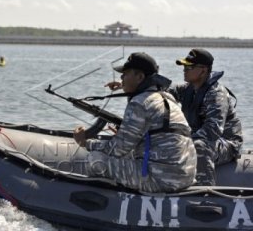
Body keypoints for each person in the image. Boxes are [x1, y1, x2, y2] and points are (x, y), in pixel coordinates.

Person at [74, 52, 197, 193]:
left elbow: (117, 149)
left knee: (95, 159)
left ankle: (99, 203)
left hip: (160, 179)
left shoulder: (140, 102)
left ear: (140, 77)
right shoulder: (168, 99)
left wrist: (86, 142)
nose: (121, 77)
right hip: (185, 179)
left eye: (125, 73)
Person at [169, 48, 243, 185]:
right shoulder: (187, 89)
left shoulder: (217, 94)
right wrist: (131, 87)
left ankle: (206, 192)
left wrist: (183, 140)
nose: (184, 69)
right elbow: (160, 90)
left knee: (199, 146)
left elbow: (212, 130)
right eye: (184, 66)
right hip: (199, 137)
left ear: (203, 70)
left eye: (189, 67)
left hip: (226, 142)